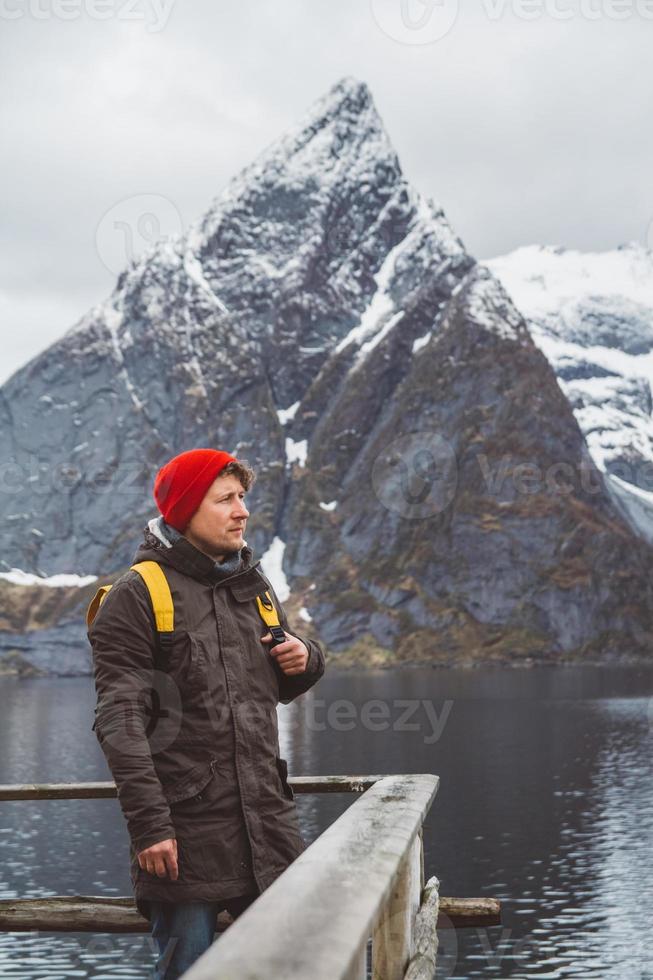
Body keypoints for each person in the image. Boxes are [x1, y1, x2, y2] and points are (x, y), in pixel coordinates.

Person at [87, 448, 326, 978]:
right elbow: (119, 722)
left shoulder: (255, 588)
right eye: (226, 500)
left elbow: (271, 689)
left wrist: (306, 659)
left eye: (243, 498)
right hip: (184, 841)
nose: (242, 511)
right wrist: (151, 828)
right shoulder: (135, 596)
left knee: (293, 968)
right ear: (187, 510)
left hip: (268, 827)